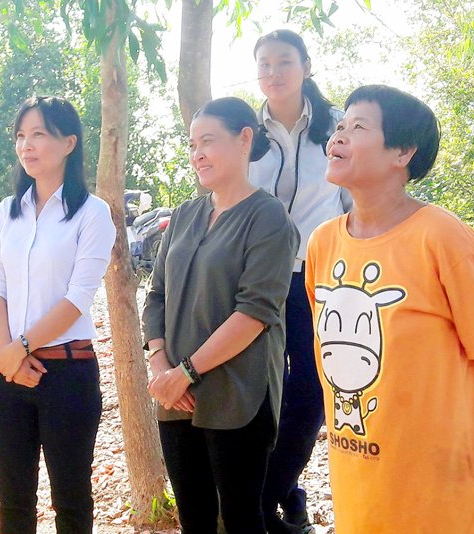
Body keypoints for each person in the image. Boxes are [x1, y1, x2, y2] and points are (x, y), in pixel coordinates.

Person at [306, 84, 474, 533]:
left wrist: (455, 425)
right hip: (360, 487)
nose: (339, 135)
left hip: (444, 500)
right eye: (340, 125)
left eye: (358, 126)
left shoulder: (441, 236)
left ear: (402, 152)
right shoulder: (323, 242)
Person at [143, 97, 299, 534]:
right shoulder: (184, 215)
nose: (198, 154)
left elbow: (255, 312)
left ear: (244, 139)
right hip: (176, 397)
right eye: (192, 145)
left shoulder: (268, 217)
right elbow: (156, 296)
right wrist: (162, 368)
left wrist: (186, 372)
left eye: (208, 141)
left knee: (241, 519)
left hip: (238, 394)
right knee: (193, 519)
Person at [0, 95, 115, 534]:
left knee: (71, 501)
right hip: (7, 376)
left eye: (39, 134)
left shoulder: (93, 213)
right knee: (12, 501)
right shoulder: (7, 212)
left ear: (69, 142)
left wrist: (18, 348)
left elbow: (78, 298)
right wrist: (8, 355)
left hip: (67, 377)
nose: (27, 145)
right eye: (21, 135)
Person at [248, 29, 352, 534]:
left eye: (284, 61)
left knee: (311, 390)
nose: (273, 72)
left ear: (306, 66)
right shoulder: (246, 131)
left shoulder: (336, 124)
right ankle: (289, 495)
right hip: (257, 279)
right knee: (261, 391)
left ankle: (264, 499)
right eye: (264, 63)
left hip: (320, 277)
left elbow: (354, 196)